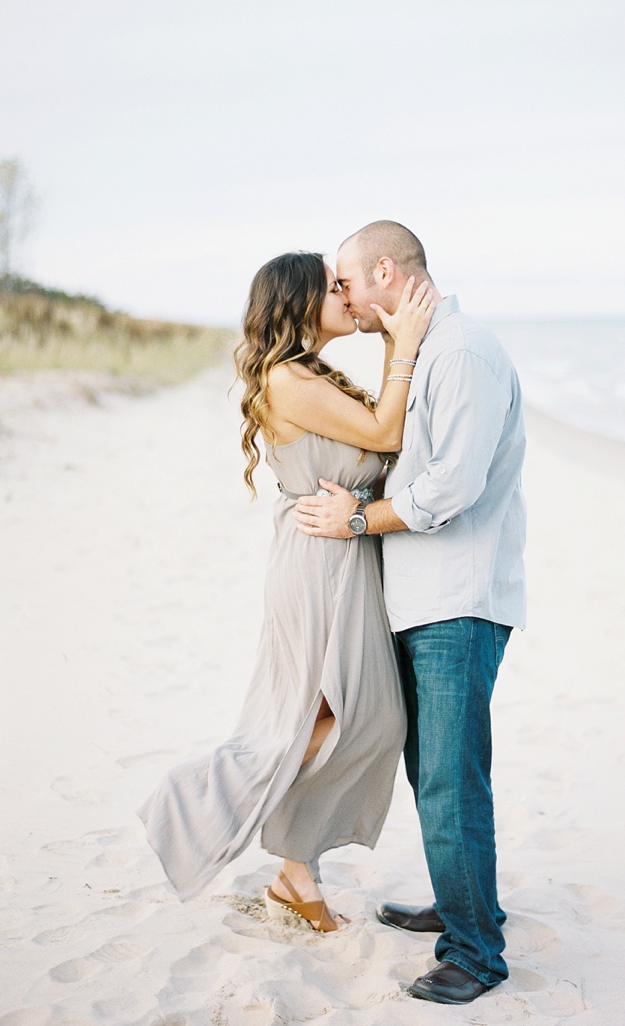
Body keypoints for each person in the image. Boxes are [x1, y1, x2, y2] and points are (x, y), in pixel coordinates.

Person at [139, 250, 434, 931]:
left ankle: (294, 874)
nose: (345, 291)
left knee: (363, 716)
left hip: (344, 555)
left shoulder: (309, 374)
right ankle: (196, 794)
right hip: (317, 565)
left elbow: (381, 447)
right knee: (347, 716)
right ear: (299, 302)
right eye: (333, 286)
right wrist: (406, 343)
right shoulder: (285, 378)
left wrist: (395, 340)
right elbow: (385, 431)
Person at [295, 221, 526, 1002]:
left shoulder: (460, 352)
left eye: (347, 282)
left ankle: (475, 953)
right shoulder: (426, 349)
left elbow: (449, 489)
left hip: (456, 599)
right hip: (423, 595)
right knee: (434, 768)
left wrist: (359, 518)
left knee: (449, 779)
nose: (344, 297)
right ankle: (464, 904)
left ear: (384, 272)